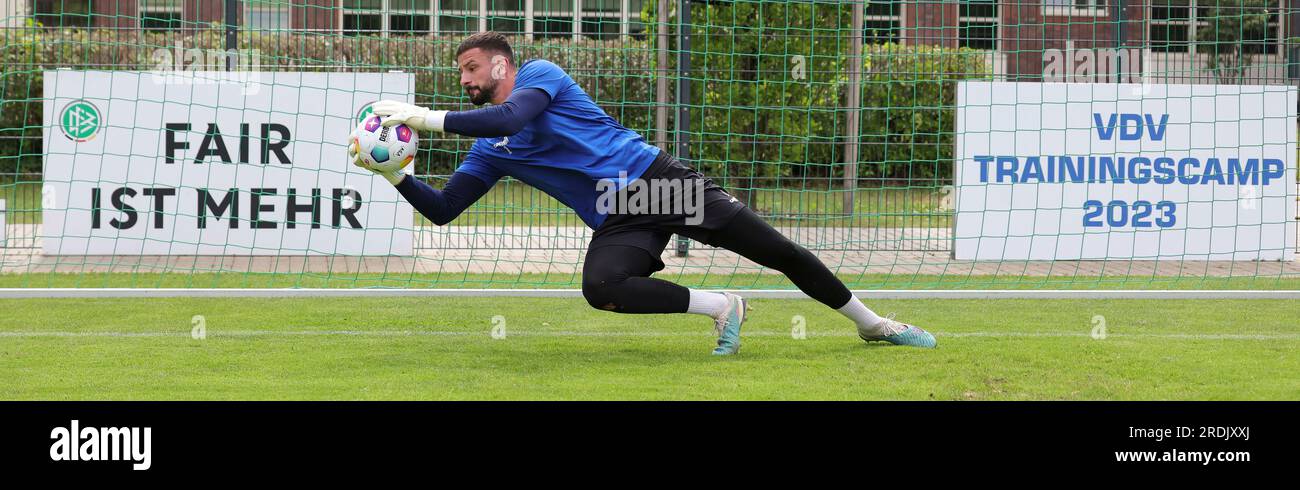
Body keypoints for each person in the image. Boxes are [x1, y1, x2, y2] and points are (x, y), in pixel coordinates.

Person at [350, 31, 936, 355]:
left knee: (777, 252)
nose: (464, 79)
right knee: (601, 288)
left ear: (501, 64)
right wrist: (395, 175)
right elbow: (446, 210)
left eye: (471, 68)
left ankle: (873, 324)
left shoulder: (539, 76)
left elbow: (512, 117)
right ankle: (721, 306)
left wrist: (426, 117)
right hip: (619, 216)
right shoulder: (488, 149)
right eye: (460, 74)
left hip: (658, 184)